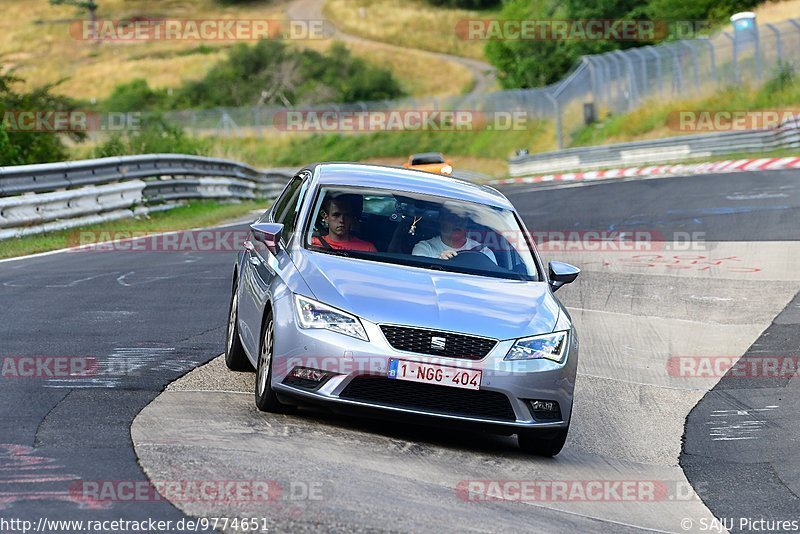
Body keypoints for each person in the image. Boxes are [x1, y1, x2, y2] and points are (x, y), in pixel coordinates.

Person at [412, 203, 496, 262]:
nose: (458, 222)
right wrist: (439, 262)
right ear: (441, 220)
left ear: (467, 222)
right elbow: (417, 279)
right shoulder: (425, 248)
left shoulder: (483, 253)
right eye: (452, 217)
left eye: (461, 218)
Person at [311, 193, 377, 252]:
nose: (341, 220)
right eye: (336, 215)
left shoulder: (367, 249)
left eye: (347, 215)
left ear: (352, 217)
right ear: (325, 217)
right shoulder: (312, 244)